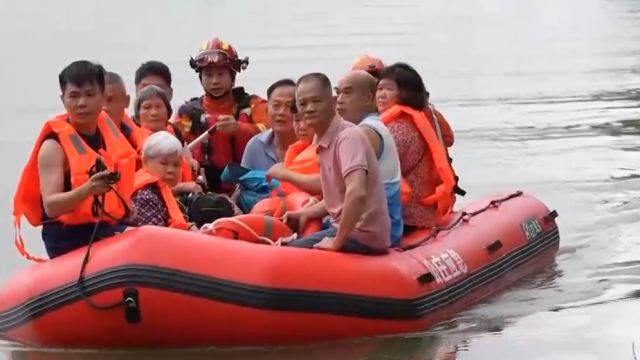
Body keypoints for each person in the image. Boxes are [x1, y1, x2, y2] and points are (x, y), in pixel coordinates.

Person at [13, 60, 137, 260]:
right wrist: (87, 189)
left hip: (106, 226)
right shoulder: (54, 147)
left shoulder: (109, 130)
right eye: (74, 96)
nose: (81, 103)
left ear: (103, 96)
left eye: (89, 95)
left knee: (147, 240)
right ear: (63, 100)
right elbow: (51, 206)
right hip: (68, 238)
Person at [285, 73, 390, 255]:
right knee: (287, 244)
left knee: (288, 255)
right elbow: (338, 197)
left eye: (316, 101)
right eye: (303, 104)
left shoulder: (348, 137)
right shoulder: (326, 140)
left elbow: (356, 192)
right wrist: (306, 214)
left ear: (333, 103)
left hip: (362, 236)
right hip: (349, 231)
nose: (309, 109)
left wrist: (337, 241)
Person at [175, 37, 270, 194]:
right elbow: (169, 142)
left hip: (250, 188)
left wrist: (239, 129)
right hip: (199, 190)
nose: (215, 81)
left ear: (232, 76)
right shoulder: (188, 113)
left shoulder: (254, 105)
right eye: (208, 75)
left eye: (220, 74)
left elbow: (274, 135)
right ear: (200, 78)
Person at [376, 63, 457, 231]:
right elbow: (448, 139)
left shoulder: (397, 129)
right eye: (379, 89)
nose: (381, 95)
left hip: (405, 219)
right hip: (423, 215)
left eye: (389, 89)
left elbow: (369, 176)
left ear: (405, 93)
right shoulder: (422, 119)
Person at [335, 70, 403, 247]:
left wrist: (287, 175)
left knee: (296, 247)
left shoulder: (366, 132)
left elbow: (353, 190)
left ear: (367, 98)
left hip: (374, 229)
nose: (339, 100)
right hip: (377, 224)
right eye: (338, 92)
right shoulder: (373, 125)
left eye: (347, 93)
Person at [134, 85, 201, 193]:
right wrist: (184, 187)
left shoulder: (175, 133)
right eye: (147, 107)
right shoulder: (133, 142)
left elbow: (186, 158)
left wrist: (191, 162)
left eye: (159, 106)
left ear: (168, 111)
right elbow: (142, 186)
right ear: (138, 115)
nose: (154, 113)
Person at [129, 131, 195, 230]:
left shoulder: (160, 190)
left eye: (176, 165)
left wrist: (192, 227)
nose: (171, 170)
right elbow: (154, 240)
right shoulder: (144, 196)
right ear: (145, 162)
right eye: (164, 163)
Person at [266, 100, 321, 196]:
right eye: (297, 120)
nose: (302, 127)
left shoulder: (330, 149)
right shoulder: (297, 150)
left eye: (307, 119)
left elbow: (328, 184)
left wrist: (285, 174)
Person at [241, 79, 297, 171]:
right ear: (267, 110)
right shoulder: (255, 145)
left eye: (288, 106)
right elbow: (246, 183)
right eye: (276, 105)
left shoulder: (312, 145)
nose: (281, 112)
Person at [103, 71, 144, 150]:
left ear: (127, 101)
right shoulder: (84, 140)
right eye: (99, 101)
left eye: (110, 100)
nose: (104, 107)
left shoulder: (145, 141)